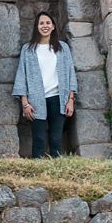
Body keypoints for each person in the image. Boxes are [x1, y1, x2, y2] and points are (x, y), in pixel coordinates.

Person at [11, 11, 78, 159]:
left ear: (53, 26)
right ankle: (37, 173)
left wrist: (71, 100)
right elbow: (22, 75)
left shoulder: (62, 48)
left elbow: (70, 73)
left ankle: (56, 175)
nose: (45, 26)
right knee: (39, 139)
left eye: (48, 23)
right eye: (41, 23)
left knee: (56, 139)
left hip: (58, 98)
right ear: (37, 27)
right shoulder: (28, 50)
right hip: (36, 100)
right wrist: (25, 103)